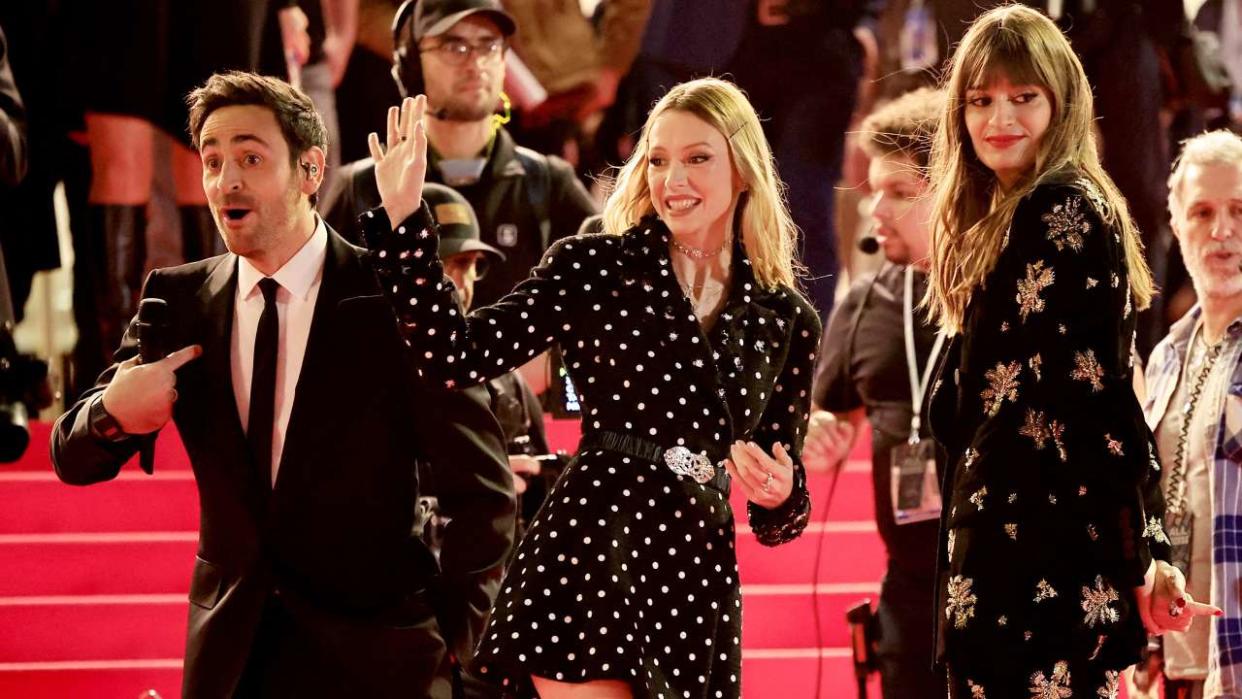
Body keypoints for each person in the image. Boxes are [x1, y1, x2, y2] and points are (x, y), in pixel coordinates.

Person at [50, 72, 515, 699]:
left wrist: (465, 653)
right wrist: (113, 412)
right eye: (212, 161)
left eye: (250, 157)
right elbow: (72, 457)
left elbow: (483, 492)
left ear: (310, 170)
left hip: (384, 660)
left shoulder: (394, 299)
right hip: (233, 660)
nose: (226, 181)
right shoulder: (179, 300)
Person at [361, 76, 820, 697]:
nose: (673, 179)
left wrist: (779, 492)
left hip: (696, 572)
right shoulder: (594, 265)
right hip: (594, 541)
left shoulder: (786, 317)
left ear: (743, 169)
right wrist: (404, 220)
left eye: (697, 158)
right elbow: (456, 354)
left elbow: (780, 510)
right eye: (658, 159)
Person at [922, 6, 1221, 697]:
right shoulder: (1005, 217)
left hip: (1037, 573)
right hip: (1012, 565)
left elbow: (1101, 396)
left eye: (1023, 97)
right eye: (981, 100)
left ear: (1062, 102)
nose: (1001, 117)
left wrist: (1146, 547)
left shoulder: (1061, 209)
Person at [803, 87, 944, 699]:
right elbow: (826, 428)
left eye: (901, 193)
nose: (876, 210)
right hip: (908, 595)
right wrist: (813, 438)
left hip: (1009, 589)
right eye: (875, 190)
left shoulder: (1014, 295)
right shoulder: (863, 305)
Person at [327, 0, 597, 310]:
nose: (475, 63)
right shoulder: (362, 186)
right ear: (411, 64)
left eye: (489, 46)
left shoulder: (548, 184)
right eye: (455, 47)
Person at [1134, 129, 1242, 699]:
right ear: (1176, 228)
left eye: (1239, 210)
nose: (1222, 231)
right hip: (1177, 663)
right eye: (1202, 212)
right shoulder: (1168, 353)